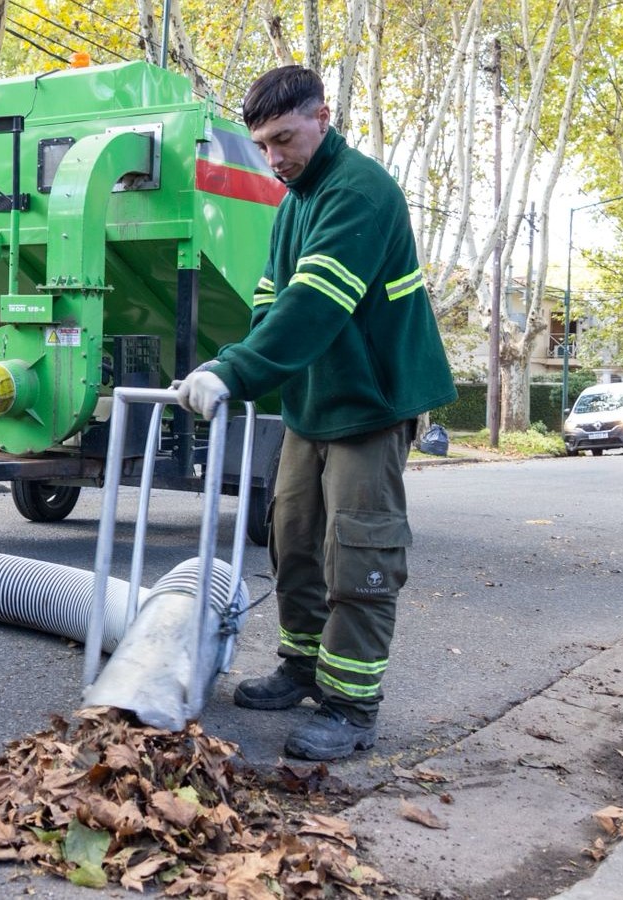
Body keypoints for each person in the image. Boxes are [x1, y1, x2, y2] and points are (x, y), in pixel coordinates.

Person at [176, 66, 456, 761]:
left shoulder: (361, 191)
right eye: (263, 146)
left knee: (358, 549)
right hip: (311, 404)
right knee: (293, 537)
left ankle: (352, 706)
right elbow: (273, 300)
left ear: (322, 116)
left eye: (284, 139)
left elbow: (317, 306)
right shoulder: (294, 201)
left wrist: (235, 372)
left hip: (369, 403)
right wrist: (229, 360)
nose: (274, 159)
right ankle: (302, 667)